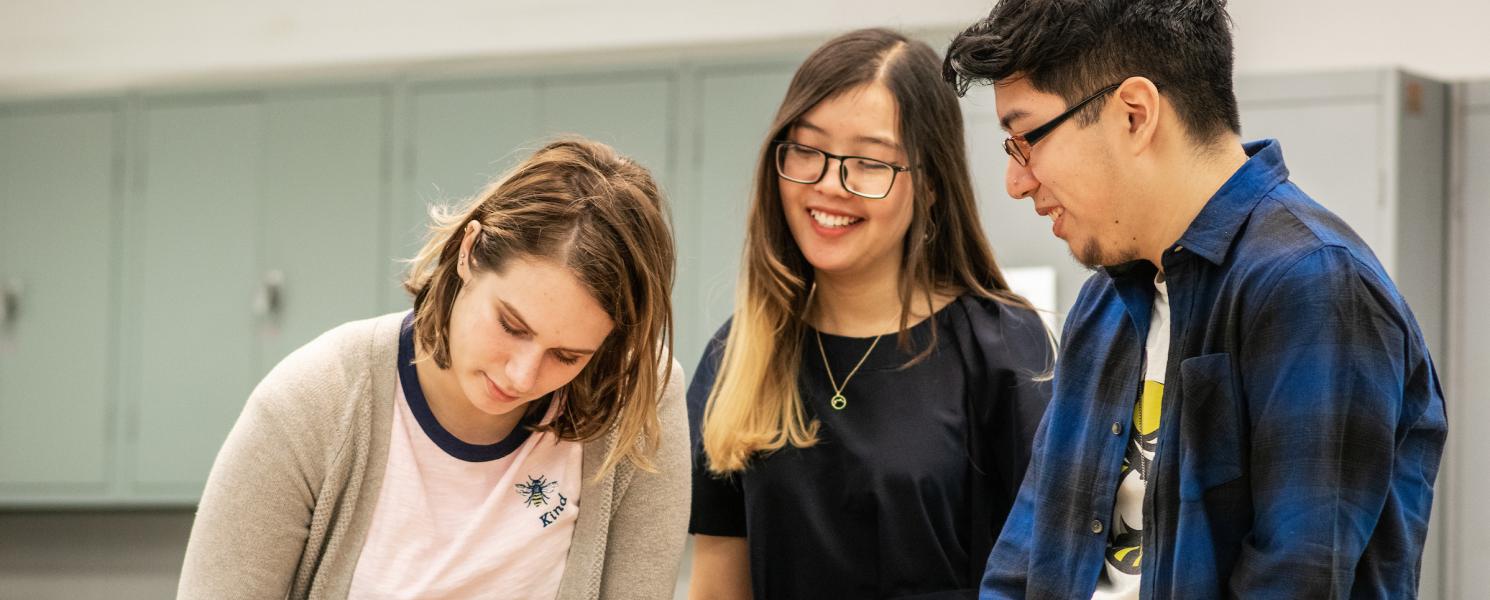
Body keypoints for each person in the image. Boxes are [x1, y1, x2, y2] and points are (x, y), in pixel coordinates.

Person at [943, 1, 1448, 598]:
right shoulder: (1102, 307)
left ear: (1134, 114)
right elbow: (1026, 557)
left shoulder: (1313, 284)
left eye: (1026, 138)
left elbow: (1298, 579)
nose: (1017, 180)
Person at [178, 138, 688, 599]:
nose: (522, 377)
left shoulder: (638, 399)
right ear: (469, 251)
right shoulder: (313, 400)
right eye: (511, 325)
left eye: (567, 356)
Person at [687, 28, 1054, 599]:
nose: (830, 185)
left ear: (929, 185)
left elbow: (1045, 569)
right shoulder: (736, 356)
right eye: (806, 150)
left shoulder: (1002, 346)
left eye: (868, 162)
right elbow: (717, 587)